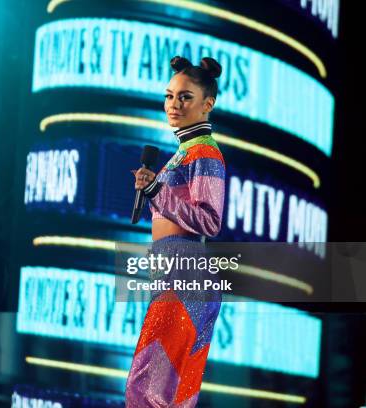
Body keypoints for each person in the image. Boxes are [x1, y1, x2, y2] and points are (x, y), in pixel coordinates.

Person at [125, 55, 226, 407]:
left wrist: (157, 192)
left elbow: (210, 221)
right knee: (173, 396)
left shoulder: (203, 152)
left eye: (185, 97)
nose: (173, 104)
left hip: (185, 271)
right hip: (177, 270)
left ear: (207, 104)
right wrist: (153, 192)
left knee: (146, 391)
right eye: (169, 96)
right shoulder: (183, 152)